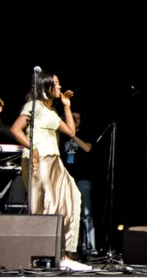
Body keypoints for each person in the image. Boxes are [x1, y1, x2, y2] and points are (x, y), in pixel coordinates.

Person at [10, 70, 91, 271]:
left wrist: (66, 106)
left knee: (73, 197)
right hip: (40, 160)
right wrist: (33, 148)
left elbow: (71, 132)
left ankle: (64, 254)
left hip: (55, 162)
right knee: (48, 204)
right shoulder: (33, 106)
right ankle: (43, 253)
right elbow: (15, 129)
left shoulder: (51, 112)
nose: (60, 87)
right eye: (56, 84)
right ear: (46, 86)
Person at [61, 111, 98, 260]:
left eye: (78, 118)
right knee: (66, 214)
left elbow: (88, 148)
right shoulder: (61, 135)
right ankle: (69, 249)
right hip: (66, 178)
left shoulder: (84, 134)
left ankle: (90, 249)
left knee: (86, 214)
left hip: (82, 178)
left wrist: (73, 134)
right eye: (73, 117)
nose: (76, 120)